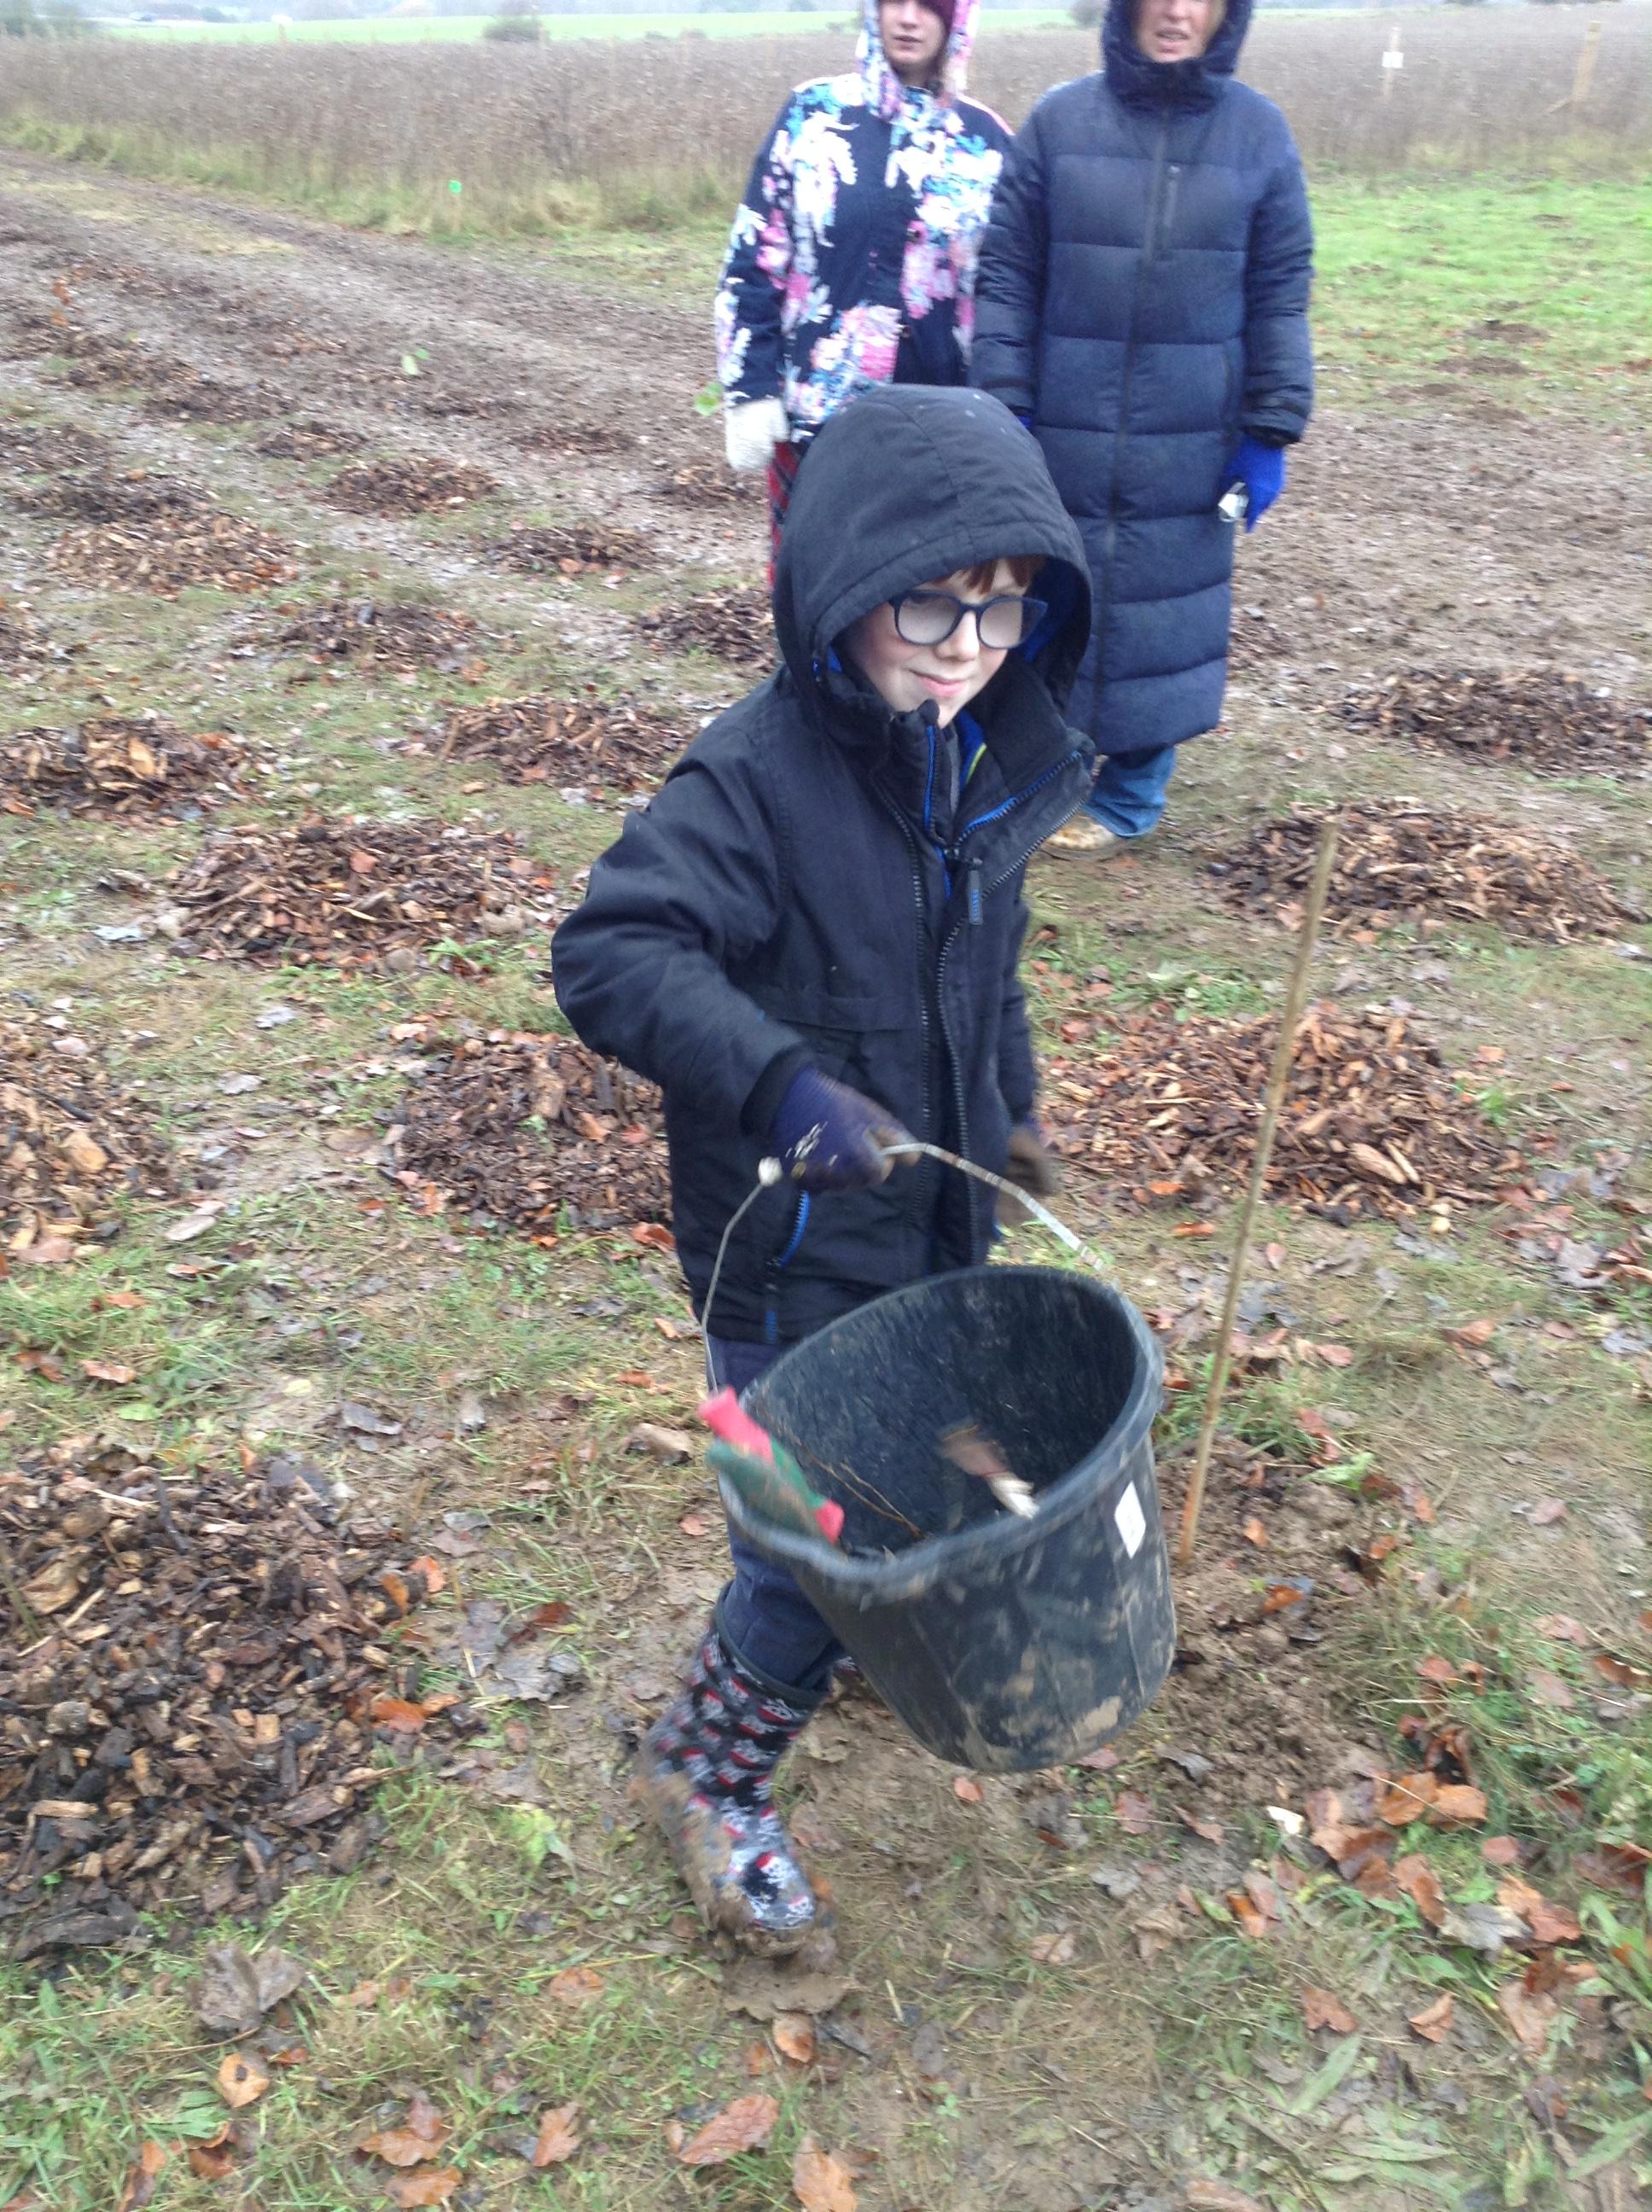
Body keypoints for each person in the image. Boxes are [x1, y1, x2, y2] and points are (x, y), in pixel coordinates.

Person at [553, 385, 1092, 1954]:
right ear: (843, 582)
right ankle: (705, 1768)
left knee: (913, 1481)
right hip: (780, 1271)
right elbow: (612, 952)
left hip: (933, 1233)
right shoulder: (754, 781)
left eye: (1004, 607)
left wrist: (1009, 1102)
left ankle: (842, 1632)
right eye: (930, 604)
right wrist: (782, 1083)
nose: (965, 645)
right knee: (802, 1542)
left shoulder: (971, 761)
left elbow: (988, 962)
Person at [971, 0, 1313, 854]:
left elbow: (1280, 292)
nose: (1177, 10)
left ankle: (1128, 795)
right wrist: (1006, 402)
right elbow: (1007, 273)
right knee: (1045, 599)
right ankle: (1033, 773)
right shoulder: (1058, 124)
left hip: (1192, 432)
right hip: (1062, 424)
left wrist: (1268, 429)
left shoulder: (1259, 135)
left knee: (1165, 608)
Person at [715, 0, 1012, 570]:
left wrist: (1006, 405)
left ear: (957, 19)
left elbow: (1007, 289)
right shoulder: (812, 116)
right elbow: (754, 259)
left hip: (943, 434)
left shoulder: (988, 143)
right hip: (818, 426)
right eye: (894, 1)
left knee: (921, 605)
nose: (908, 18)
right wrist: (750, 390)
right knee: (815, 596)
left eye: (929, 6)